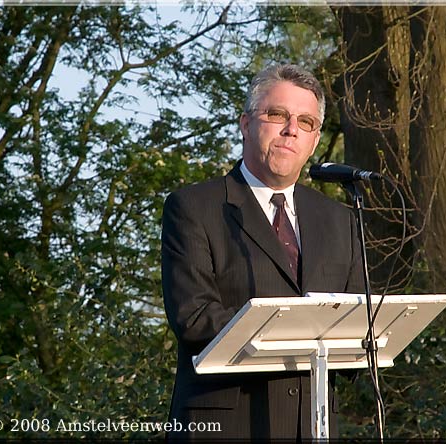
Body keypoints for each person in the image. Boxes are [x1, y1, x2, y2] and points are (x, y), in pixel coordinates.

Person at [161, 64, 364, 441]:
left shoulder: (340, 219)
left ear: (315, 140)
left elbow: (354, 322)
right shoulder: (193, 207)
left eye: (306, 122)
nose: (291, 130)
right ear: (245, 123)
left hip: (313, 428)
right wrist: (294, 329)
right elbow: (195, 317)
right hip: (224, 428)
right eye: (277, 115)